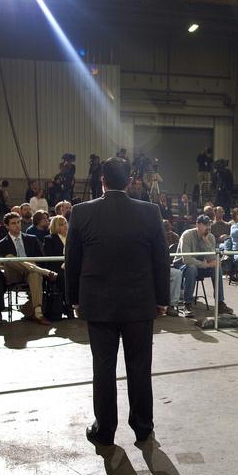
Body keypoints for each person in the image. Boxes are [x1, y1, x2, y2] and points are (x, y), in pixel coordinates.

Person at [66, 157, 170, 447]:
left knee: (103, 368)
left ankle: (105, 430)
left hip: (98, 304)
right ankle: (143, 427)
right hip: (139, 303)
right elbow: (161, 259)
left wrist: (74, 299)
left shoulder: (81, 212)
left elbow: (72, 261)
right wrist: (162, 299)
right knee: (140, 368)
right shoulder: (149, 211)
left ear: (102, 181)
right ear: (130, 182)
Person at [0, 211, 57, 325]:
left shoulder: (31, 239)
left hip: (31, 272)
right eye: (13, 223)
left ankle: (38, 313)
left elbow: (41, 258)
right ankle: (43, 272)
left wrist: (32, 264)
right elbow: (2, 264)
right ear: (7, 226)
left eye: (18, 222)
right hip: (14, 274)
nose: (17, 225)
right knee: (9, 258)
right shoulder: (1, 243)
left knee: (34, 273)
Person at [177, 214, 232, 317]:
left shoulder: (210, 236)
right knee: (192, 268)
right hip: (182, 266)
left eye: (209, 225)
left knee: (216, 268)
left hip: (200, 266)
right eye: (205, 225)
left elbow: (213, 259)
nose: (208, 227)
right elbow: (187, 259)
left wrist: (206, 242)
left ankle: (220, 303)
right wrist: (206, 265)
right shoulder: (187, 235)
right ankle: (187, 304)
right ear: (197, 225)